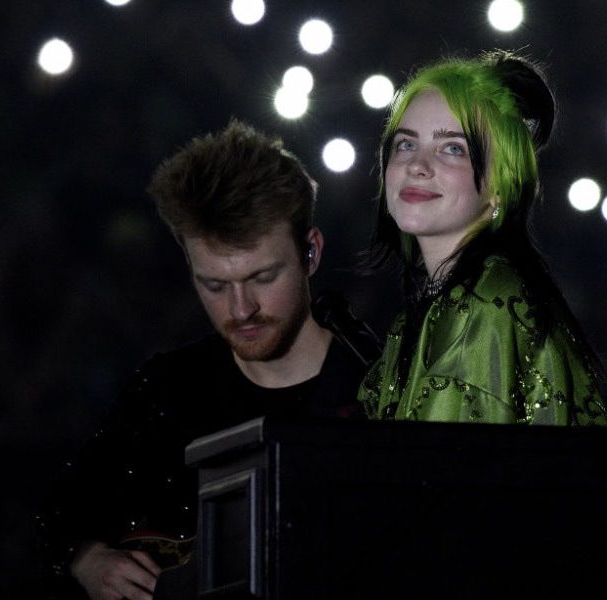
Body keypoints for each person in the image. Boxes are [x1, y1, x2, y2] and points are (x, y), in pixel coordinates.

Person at [38, 119, 370, 600]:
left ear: (310, 252)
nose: (241, 309)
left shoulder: (374, 386)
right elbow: (56, 509)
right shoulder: (166, 388)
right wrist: (88, 558)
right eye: (214, 285)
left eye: (262, 276)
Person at [358, 50, 607, 426]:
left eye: (452, 149)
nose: (417, 166)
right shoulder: (437, 304)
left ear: (499, 186)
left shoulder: (487, 305)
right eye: (406, 144)